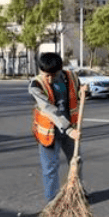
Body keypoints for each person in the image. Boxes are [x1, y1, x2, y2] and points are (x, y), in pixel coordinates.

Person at [29, 52, 88, 202]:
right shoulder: (36, 85)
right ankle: (52, 201)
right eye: (45, 75)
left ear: (60, 70)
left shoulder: (72, 77)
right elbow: (48, 109)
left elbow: (77, 95)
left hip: (71, 129)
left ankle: (77, 191)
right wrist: (68, 129)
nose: (48, 79)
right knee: (50, 169)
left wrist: (84, 92)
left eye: (52, 76)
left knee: (76, 161)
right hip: (49, 132)